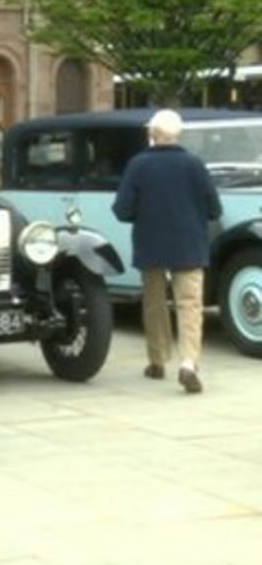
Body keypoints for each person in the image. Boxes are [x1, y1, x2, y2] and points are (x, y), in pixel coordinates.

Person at [112, 109, 222, 394]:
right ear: (178, 134)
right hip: (189, 245)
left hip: (151, 244)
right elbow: (215, 209)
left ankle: (157, 361)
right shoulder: (195, 164)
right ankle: (188, 363)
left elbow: (122, 211)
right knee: (190, 305)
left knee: (154, 303)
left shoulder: (138, 165)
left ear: (152, 134)